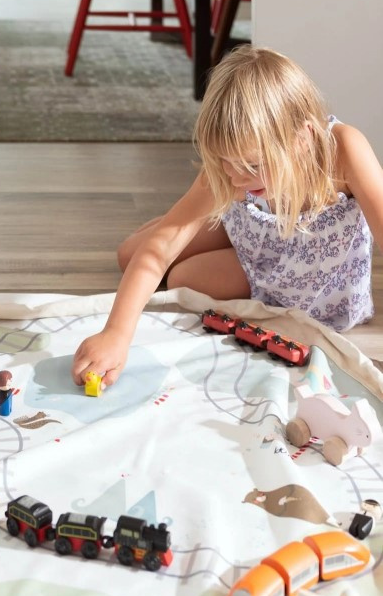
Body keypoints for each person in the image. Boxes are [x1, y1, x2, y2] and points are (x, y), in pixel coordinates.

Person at [72, 46, 383, 389]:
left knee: (180, 278)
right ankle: (190, 219)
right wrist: (116, 333)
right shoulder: (237, 170)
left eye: (251, 165)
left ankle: (193, 221)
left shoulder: (345, 149)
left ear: (303, 138)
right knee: (130, 254)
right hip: (252, 235)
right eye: (225, 161)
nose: (235, 177)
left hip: (305, 281)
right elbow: (158, 250)